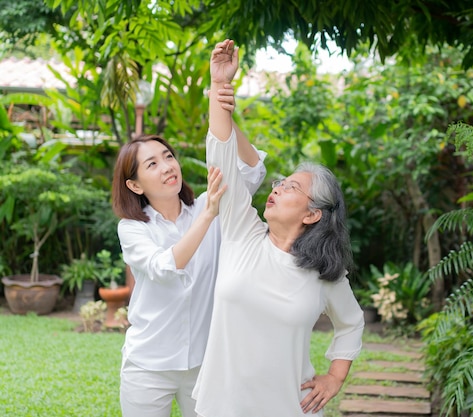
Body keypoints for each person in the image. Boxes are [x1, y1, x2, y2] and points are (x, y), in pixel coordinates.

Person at [192, 39, 365, 417]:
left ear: (312, 214)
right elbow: (221, 154)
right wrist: (219, 85)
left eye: (292, 188)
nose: (277, 189)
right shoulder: (242, 231)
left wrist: (335, 378)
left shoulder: (325, 275)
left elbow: (351, 324)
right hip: (221, 407)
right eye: (279, 183)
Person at [111, 84, 267, 417]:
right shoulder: (134, 228)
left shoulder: (205, 207)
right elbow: (165, 266)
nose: (167, 166)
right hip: (148, 366)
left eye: (168, 156)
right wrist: (209, 214)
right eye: (151, 164)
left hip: (205, 364)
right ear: (135, 185)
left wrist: (225, 115)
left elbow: (253, 171)